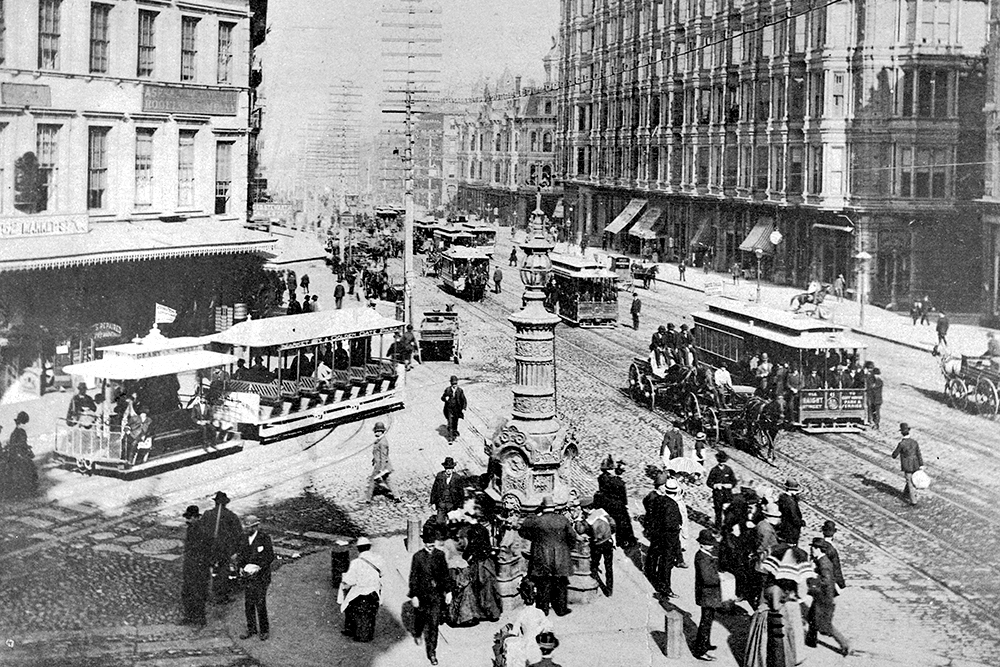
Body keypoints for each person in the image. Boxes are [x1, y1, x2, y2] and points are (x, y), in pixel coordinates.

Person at [518, 495, 577, 616]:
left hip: (542, 555)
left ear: (542, 508)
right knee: (561, 583)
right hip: (561, 555)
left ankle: (543, 610)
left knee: (543, 584)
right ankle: (561, 609)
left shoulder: (536, 520)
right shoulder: (562, 519)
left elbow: (522, 531)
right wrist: (566, 548)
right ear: (554, 507)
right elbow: (572, 536)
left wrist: (535, 539)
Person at [408, 526, 454, 666]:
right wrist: (414, 595)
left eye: (432, 542)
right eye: (428, 542)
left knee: (434, 624)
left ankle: (432, 653)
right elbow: (413, 578)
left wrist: (449, 591)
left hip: (436, 596)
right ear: (424, 543)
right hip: (422, 596)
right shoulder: (418, 557)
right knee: (420, 619)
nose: (430, 545)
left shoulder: (439, 555)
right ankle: (417, 632)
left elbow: (445, 575)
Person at [806, 538, 852, 655]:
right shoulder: (820, 561)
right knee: (811, 617)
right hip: (821, 596)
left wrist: (812, 577)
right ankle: (811, 640)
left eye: (813, 548)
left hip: (824, 598)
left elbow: (825, 581)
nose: (811, 550)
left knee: (825, 625)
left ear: (818, 549)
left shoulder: (824, 563)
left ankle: (845, 644)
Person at [200, 491, 243, 604]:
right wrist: (236, 550)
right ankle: (221, 596)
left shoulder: (207, 514)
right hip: (224, 549)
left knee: (207, 570)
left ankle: (206, 595)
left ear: (215, 503)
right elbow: (238, 534)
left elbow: (200, 531)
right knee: (223, 571)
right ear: (225, 503)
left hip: (209, 548)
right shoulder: (231, 516)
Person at [644, 474, 683, 597]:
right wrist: (678, 527)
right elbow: (673, 523)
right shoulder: (673, 505)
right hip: (669, 536)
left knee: (655, 553)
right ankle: (664, 587)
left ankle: (650, 572)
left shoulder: (657, 499)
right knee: (666, 562)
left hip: (657, 533)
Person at [338, 537, 384, 643]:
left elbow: (350, 580)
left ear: (359, 549)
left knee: (351, 609)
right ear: (369, 547)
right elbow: (382, 573)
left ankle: (353, 631)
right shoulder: (378, 559)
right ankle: (367, 634)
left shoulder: (356, 563)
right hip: (374, 591)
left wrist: (344, 584)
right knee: (370, 615)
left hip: (360, 592)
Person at [500, 580, 553, 667]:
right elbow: (548, 628)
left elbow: (514, 632)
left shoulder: (522, 613)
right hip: (538, 646)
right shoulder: (540, 613)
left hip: (526, 644)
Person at [238, 515, 275, 641]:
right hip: (248, 577)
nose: (247, 529)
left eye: (249, 527)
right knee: (248, 603)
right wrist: (241, 567)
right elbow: (241, 555)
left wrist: (259, 567)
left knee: (260, 602)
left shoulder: (264, 538)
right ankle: (251, 628)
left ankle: (264, 630)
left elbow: (270, 557)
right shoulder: (244, 538)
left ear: (256, 526)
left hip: (261, 577)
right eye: (246, 527)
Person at [693, 529, 722, 661]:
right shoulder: (702, 558)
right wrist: (720, 578)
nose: (712, 546)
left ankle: (705, 643)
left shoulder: (705, 555)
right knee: (705, 622)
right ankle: (700, 650)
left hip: (708, 595)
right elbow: (707, 578)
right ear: (702, 545)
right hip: (707, 595)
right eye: (709, 544)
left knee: (708, 620)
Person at [181, 505, 210, 626]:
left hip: (199, 568)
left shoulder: (202, 530)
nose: (187, 520)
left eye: (189, 517)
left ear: (196, 517)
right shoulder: (191, 528)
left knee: (198, 592)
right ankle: (189, 616)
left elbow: (206, 550)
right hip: (190, 566)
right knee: (187, 592)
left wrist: (201, 565)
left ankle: (200, 618)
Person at [581, 497, 616, 596]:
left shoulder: (589, 519)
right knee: (609, 566)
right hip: (608, 542)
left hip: (597, 545)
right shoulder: (602, 511)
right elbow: (613, 524)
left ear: (585, 509)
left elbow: (581, 530)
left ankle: (594, 583)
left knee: (594, 564)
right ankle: (609, 589)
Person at [891, 422, 924, 506]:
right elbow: (918, 453)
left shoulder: (901, 444)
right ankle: (905, 494)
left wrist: (894, 454)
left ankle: (913, 501)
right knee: (911, 479)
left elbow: (894, 455)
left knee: (909, 482)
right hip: (915, 464)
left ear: (901, 433)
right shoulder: (914, 442)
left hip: (907, 465)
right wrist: (921, 464)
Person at [367, 422, 399, 503]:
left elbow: (384, 456)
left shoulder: (382, 442)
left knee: (372, 480)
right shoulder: (380, 441)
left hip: (381, 465)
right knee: (387, 480)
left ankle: (367, 499)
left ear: (382, 432)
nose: (376, 432)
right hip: (382, 464)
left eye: (378, 431)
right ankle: (397, 497)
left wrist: (381, 469)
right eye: (375, 431)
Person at [706, 451, 737, 531]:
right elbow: (708, 482)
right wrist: (715, 486)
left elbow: (734, 481)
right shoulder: (714, 470)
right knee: (718, 512)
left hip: (727, 494)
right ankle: (718, 527)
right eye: (720, 461)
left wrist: (730, 485)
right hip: (718, 494)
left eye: (723, 461)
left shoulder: (728, 470)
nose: (722, 463)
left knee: (728, 511)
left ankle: (727, 527)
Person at [430, 457, 463, 523]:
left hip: (452, 505)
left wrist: (460, 506)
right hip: (441, 503)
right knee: (439, 522)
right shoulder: (439, 476)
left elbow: (461, 493)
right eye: (447, 468)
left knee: (452, 524)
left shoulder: (457, 478)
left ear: (453, 468)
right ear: (444, 468)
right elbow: (434, 490)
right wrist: (433, 502)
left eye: (450, 468)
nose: (448, 470)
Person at [776, 479, 804, 545]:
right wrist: (801, 522)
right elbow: (794, 516)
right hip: (791, 529)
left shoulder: (783, 497)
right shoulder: (791, 502)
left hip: (784, 525)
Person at [820, 520, 846, 591]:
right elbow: (836, 566)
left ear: (822, 531)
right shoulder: (832, 548)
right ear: (834, 532)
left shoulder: (818, 545)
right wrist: (841, 583)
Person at [441, 375, 467, 443]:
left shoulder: (460, 390)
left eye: (455, 383)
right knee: (450, 422)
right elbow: (442, 397)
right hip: (449, 409)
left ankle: (454, 433)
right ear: (450, 383)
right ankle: (450, 439)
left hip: (457, 409)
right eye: (453, 384)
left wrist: (464, 408)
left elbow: (463, 400)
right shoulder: (448, 390)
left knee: (455, 422)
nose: (454, 385)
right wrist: (445, 398)